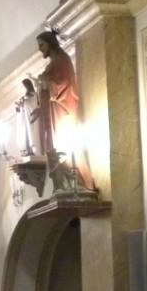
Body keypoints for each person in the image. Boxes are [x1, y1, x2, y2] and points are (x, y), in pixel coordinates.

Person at [33, 30, 94, 189]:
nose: (40, 49)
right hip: (52, 112)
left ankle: (77, 182)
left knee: (66, 148)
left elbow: (64, 84)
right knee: (55, 148)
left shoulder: (62, 60)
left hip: (63, 110)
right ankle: (63, 184)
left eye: (42, 45)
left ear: (50, 44)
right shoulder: (53, 64)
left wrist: (45, 81)